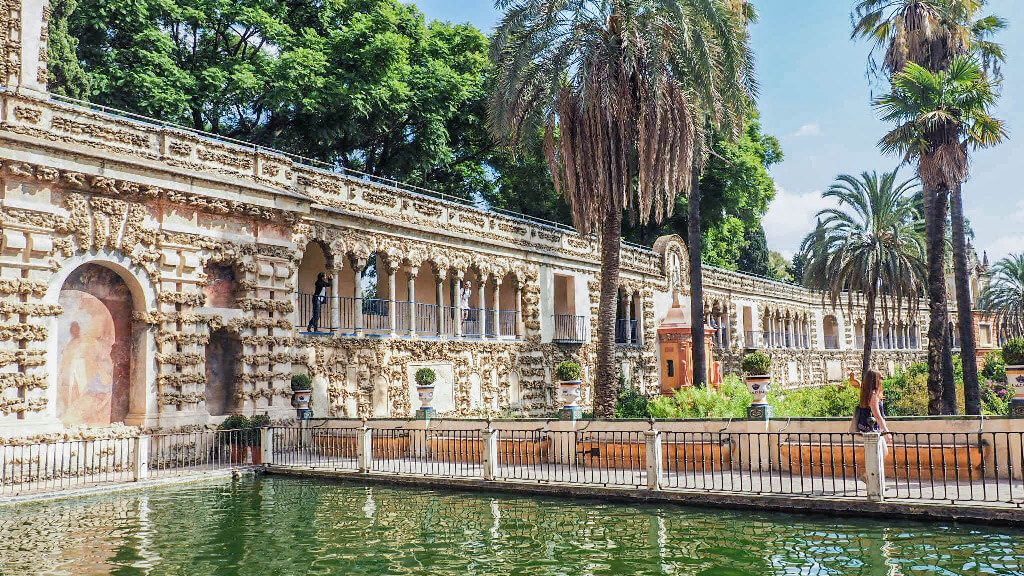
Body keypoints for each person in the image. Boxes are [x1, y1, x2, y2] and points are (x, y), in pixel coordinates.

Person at [852, 368, 891, 459]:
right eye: (880, 377)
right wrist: (887, 432)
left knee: (879, 454)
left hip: (868, 429)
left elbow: (858, 384)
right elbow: (877, 415)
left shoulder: (866, 392)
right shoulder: (873, 395)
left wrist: (853, 379)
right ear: (875, 380)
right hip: (872, 430)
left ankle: (869, 473)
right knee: (878, 455)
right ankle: (869, 473)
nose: (882, 379)